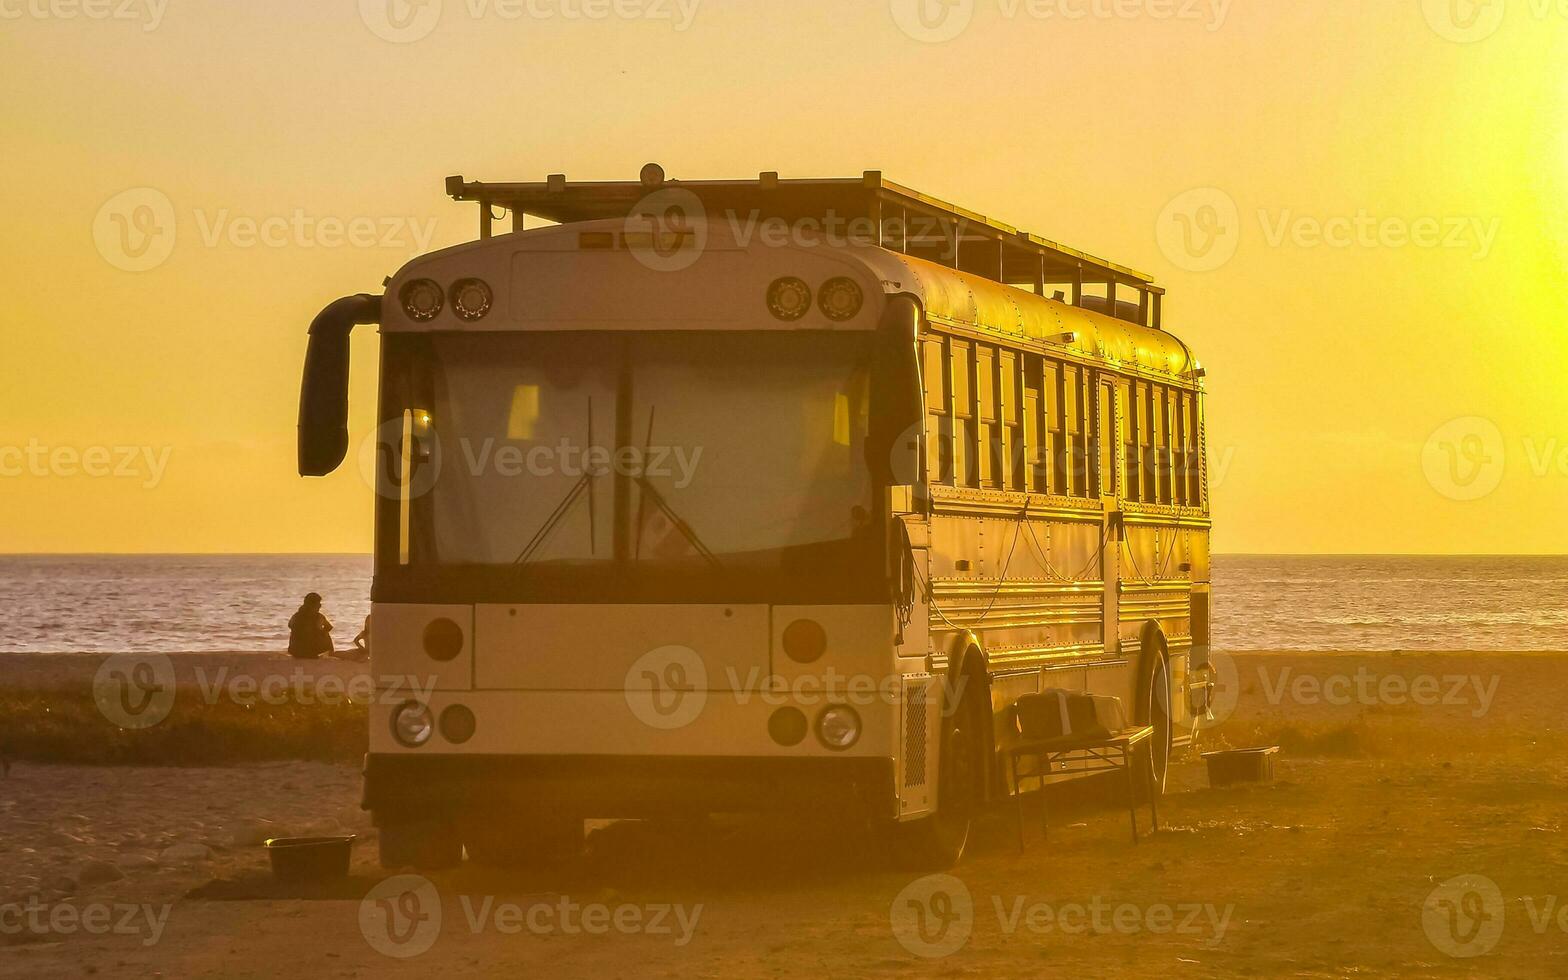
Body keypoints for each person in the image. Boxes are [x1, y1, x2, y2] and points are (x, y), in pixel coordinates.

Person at [287, 593, 334, 660]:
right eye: (319, 604)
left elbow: (290, 625)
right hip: (311, 651)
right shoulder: (318, 617)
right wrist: (321, 632)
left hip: (295, 651)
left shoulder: (296, 616)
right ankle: (330, 654)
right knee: (326, 634)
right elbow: (329, 627)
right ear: (314, 605)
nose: (320, 606)